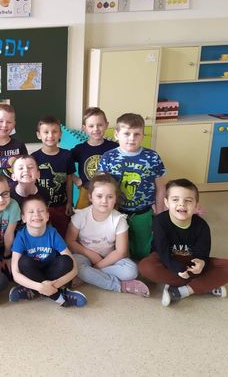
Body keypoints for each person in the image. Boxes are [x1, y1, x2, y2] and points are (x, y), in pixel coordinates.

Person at [139, 179, 228, 307]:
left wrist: (201, 262)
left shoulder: (202, 225)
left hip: (191, 263)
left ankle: (183, 290)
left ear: (196, 205)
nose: (182, 204)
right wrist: (176, 268)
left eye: (188, 200)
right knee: (145, 267)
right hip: (167, 261)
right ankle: (205, 285)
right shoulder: (159, 222)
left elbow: (203, 252)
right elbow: (162, 251)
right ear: (166, 202)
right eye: (175, 200)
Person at [66, 174, 150, 297]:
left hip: (110, 258)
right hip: (84, 256)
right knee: (74, 265)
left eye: (110, 197)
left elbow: (121, 252)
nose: (104, 201)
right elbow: (70, 241)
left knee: (132, 270)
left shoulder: (119, 219)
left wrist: (98, 266)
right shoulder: (80, 216)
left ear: (115, 198)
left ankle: (89, 276)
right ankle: (119, 285)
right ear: (90, 197)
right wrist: (92, 255)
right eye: (99, 196)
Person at [97, 113, 166, 260]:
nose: (131, 138)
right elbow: (99, 187)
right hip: (116, 212)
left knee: (143, 252)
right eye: (127, 133)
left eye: (137, 134)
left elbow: (160, 188)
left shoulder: (152, 157)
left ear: (143, 136)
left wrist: (160, 214)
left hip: (143, 212)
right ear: (117, 134)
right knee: (117, 251)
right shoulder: (108, 157)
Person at [9, 194, 87, 308]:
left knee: (66, 261)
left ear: (47, 216)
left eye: (41, 211)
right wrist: (40, 287)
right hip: (32, 272)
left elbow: (74, 268)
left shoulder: (52, 233)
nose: (36, 214)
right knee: (24, 262)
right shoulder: (21, 236)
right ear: (23, 218)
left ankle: (31, 290)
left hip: (52, 272)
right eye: (31, 212)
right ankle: (59, 297)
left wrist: (53, 286)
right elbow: (15, 274)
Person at [32, 115, 76, 238]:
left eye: (54, 131)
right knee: (43, 235)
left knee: (62, 235)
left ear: (60, 134)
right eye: (46, 132)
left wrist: (69, 202)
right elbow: (32, 183)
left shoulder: (67, 155)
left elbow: (69, 180)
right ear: (39, 135)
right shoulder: (34, 157)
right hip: (41, 208)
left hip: (62, 206)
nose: (50, 135)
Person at [71, 107, 118, 209]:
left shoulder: (114, 148)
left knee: (109, 216)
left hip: (108, 192)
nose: (96, 129)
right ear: (84, 128)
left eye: (100, 125)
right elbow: (64, 163)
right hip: (86, 190)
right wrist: (75, 179)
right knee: (81, 216)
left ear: (106, 125)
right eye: (91, 126)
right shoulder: (80, 149)